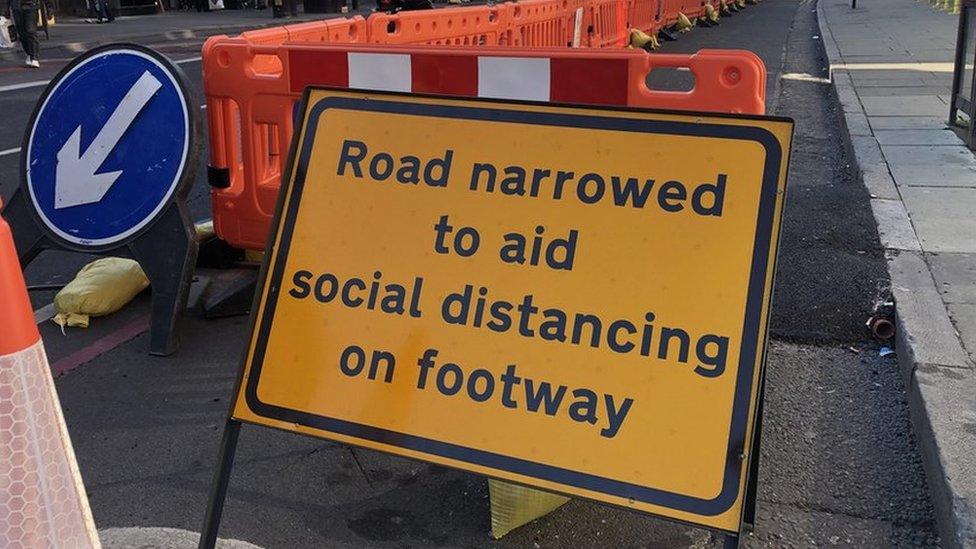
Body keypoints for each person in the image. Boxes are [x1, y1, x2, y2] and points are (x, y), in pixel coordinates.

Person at [6, 0, 40, 67]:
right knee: (21, 33)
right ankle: (29, 54)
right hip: (16, 7)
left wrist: (49, 8)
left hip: (31, 5)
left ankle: (34, 58)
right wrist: (6, 9)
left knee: (31, 31)